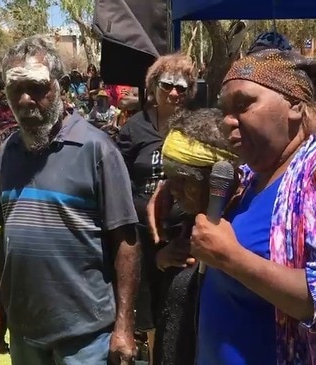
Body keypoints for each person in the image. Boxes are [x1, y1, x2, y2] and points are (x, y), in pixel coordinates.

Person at [191, 49, 316, 364]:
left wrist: (231, 258)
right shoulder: (253, 176)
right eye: (224, 109)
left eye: (243, 104)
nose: (227, 121)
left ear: (294, 105)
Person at [0, 35, 140, 365]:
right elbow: (5, 237)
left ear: (61, 85)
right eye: (15, 88)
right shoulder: (8, 152)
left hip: (86, 337)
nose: (25, 99)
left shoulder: (97, 150)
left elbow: (126, 240)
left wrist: (124, 325)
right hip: (25, 332)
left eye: (37, 87)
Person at [117, 52, 197, 362]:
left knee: (179, 310)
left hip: (182, 237)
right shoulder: (133, 129)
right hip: (141, 240)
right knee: (148, 314)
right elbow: (119, 182)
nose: (174, 93)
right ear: (153, 87)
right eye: (167, 85)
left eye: (182, 87)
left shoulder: (193, 127)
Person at [146, 108, 238, 365]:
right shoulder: (183, 217)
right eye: (169, 178)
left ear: (218, 178)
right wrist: (162, 258)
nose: (172, 189)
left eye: (183, 180)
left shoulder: (238, 230)